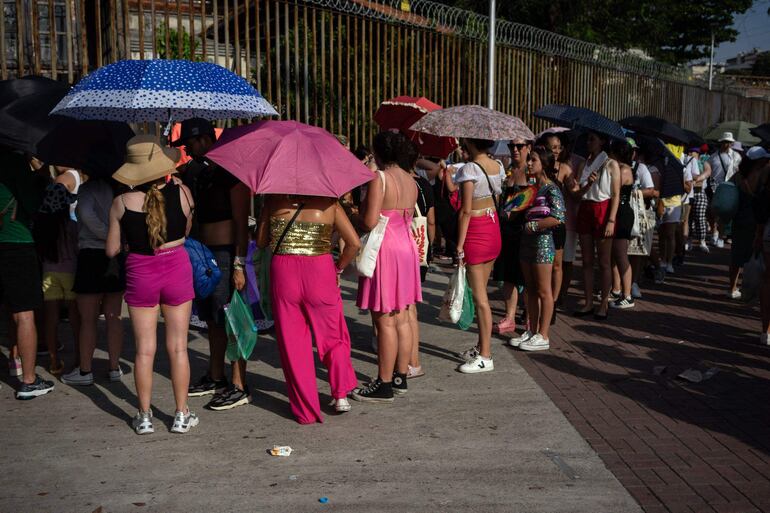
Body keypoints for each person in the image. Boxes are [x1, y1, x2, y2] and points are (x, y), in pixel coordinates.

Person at [106, 135, 197, 434]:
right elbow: (185, 228)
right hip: (177, 266)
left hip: (140, 271)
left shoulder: (121, 202)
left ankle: (144, 416)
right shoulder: (183, 193)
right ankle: (181, 414)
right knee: (178, 348)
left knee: (145, 350)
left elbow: (111, 250)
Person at [256, 193, 360, 423]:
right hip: (321, 269)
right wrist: (338, 268)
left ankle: (306, 411)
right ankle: (341, 393)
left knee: (292, 343)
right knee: (333, 334)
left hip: (284, 270)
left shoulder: (273, 201)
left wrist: (266, 211)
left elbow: (262, 241)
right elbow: (354, 243)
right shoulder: (330, 204)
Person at [175, 118, 251, 411]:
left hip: (227, 254)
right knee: (212, 319)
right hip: (203, 252)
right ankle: (216, 375)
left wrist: (239, 263)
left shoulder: (232, 171)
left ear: (205, 139)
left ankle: (239, 384)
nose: (188, 150)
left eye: (190, 143)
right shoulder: (197, 171)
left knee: (233, 319)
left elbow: (241, 223)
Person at [353, 131, 421, 402]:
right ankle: (399, 376)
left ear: (379, 153)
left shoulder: (379, 178)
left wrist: (351, 212)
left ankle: (383, 383)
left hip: (386, 249)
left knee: (384, 321)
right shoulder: (411, 180)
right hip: (406, 247)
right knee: (402, 317)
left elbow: (369, 222)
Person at [0, 150, 54, 399]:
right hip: (16, 241)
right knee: (23, 313)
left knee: (8, 310)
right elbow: (35, 205)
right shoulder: (13, 160)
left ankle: (14, 363)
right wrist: (40, 175)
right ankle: (29, 380)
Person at [62, 178, 125, 386]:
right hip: (115, 256)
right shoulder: (120, 189)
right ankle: (114, 367)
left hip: (91, 254)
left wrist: (107, 236)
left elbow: (86, 215)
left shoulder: (88, 189)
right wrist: (116, 240)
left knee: (87, 319)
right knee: (114, 316)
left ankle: (85, 370)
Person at [451, 138, 504, 373]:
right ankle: (482, 346)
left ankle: (486, 355)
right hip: (493, 228)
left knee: (481, 299)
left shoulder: (469, 169)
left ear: (472, 143)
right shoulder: (498, 166)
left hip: (476, 231)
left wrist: (459, 245)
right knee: (480, 293)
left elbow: (465, 210)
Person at [509, 146, 565, 351]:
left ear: (544, 164)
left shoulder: (552, 189)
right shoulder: (531, 188)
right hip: (527, 243)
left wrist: (535, 225)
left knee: (544, 290)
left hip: (542, 243)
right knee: (530, 289)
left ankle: (543, 334)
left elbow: (558, 217)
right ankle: (531, 330)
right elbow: (516, 209)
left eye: (534, 160)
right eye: (529, 159)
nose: (529, 163)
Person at [572, 131, 620, 320]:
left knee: (604, 261)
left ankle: (604, 303)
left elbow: (615, 194)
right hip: (586, 207)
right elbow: (577, 191)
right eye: (587, 138)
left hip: (603, 208)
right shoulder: (584, 164)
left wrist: (611, 219)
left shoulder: (610, 164)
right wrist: (585, 184)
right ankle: (588, 302)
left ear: (602, 141)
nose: (588, 142)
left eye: (592, 139)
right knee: (586, 261)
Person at [403, 140, 435, 379]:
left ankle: (410, 360)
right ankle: (413, 359)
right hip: (421, 248)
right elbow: (431, 221)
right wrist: (428, 246)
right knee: (412, 305)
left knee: (405, 309)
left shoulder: (398, 183)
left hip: (402, 249)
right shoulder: (424, 183)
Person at [492, 138, 529, 335]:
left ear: (528, 148)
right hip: (506, 228)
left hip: (524, 230)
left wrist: (512, 208)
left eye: (519, 146)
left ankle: (530, 316)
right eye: (511, 146)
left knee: (527, 276)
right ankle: (510, 316)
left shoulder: (531, 171)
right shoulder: (507, 171)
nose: (515, 150)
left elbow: (534, 196)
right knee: (507, 274)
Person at [542, 132, 574, 313]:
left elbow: (575, 193)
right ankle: (542, 298)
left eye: (558, 147)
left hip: (557, 222)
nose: (555, 151)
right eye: (552, 147)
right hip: (540, 221)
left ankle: (553, 302)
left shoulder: (565, 169)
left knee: (557, 264)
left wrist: (587, 185)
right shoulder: (538, 165)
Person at [728, 150, 765, 299]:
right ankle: (749, 289)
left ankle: (732, 288)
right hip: (755, 219)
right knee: (755, 256)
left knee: (736, 256)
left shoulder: (738, 175)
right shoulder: (761, 175)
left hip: (739, 218)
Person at [608, 139, 636, 309]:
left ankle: (627, 295)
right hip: (617, 212)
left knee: (621, 254)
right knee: (613, 255)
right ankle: (616, 289)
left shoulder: (624, 170)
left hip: (623, 213)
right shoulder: (618, 167)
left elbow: (613, 189)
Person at [709, 132, 742, 248]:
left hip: (729, 188)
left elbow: (738, 173)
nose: (726, 144)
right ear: (721, 142)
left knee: (724, 213)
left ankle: (720, 236)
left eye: (728, 142)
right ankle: (714, 232)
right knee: (713, 212)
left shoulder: (736, 156)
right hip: (715, 187)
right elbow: (709, 171)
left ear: (732, 143)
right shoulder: (713, 157)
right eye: (724, 142)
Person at [690, 146, 712, 253]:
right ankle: (688, 240)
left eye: (692, 151)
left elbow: (707, 172)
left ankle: (702, 241)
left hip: (699, 192)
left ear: (697, 153)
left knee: (699, 216)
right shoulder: (686, 161)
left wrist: (697, 178)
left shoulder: (703, 162)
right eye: (689, 151)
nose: (690, 153)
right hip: (687, 192)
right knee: (687, 218)